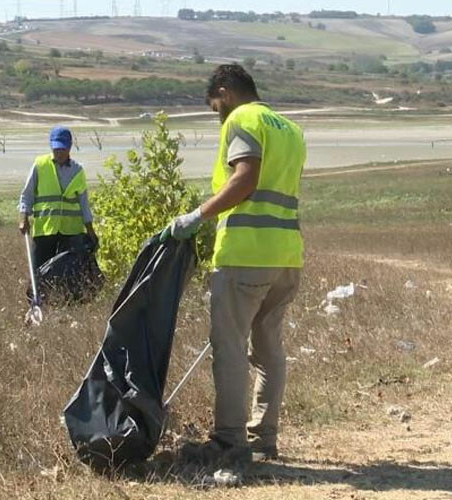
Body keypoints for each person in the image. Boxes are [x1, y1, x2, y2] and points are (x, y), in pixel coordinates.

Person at [164, 64, 306, 476]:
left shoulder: (243, 119)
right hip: (286, 256)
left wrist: (198, 216)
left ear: (225, 93)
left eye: (216, 108)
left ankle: (229, 440)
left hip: (246, 254)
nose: (219, 117)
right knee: (268, 349)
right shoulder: (289, 129)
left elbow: (245, 178)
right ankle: (264, 437)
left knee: (229, 349)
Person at [18, 126, 98, 268]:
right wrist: (23, 218)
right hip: (45, 229)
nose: (59, 153)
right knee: (39, 274)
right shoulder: (40, 165)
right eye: (56, 149)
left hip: (71, 232)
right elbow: (27, 194)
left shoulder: (77, 170)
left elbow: (84, 204)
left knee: (71, 274)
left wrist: (90, 231)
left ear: (69, 148)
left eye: (62, 149)